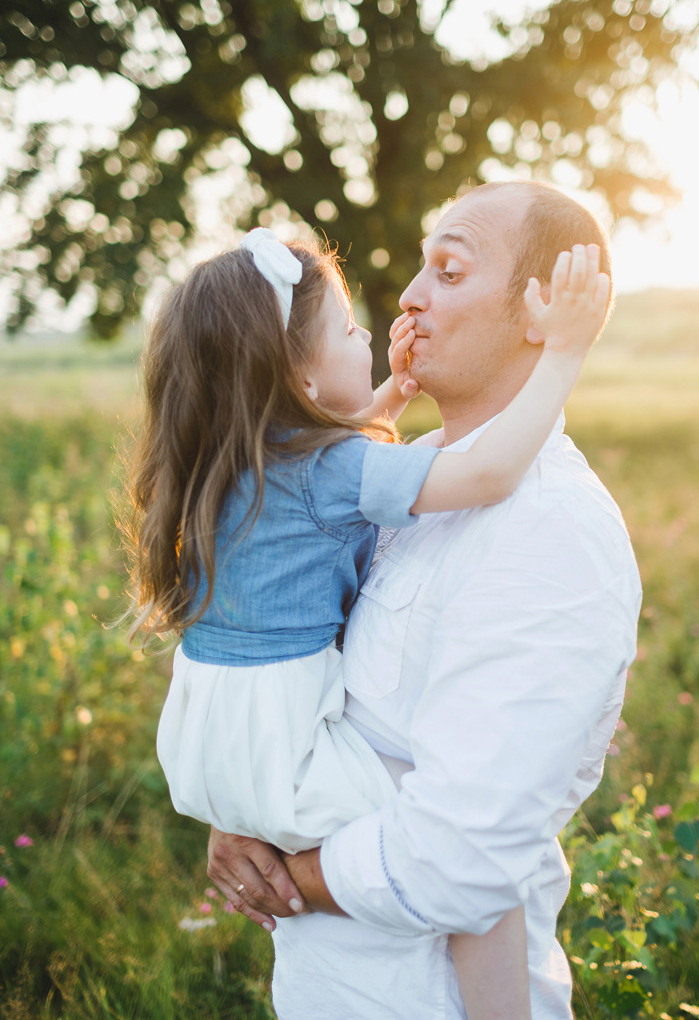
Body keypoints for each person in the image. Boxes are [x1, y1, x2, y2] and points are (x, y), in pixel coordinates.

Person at [124, 219, 610, 1020]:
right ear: (305, 383)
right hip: (282, 742)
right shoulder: (337, 471)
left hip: (216, 735)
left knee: (465, 853)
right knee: (483, 888)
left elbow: (330, 463)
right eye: (350, 331)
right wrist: (565, 354)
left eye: (447, 272)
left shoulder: (242, 460)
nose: (388, 320)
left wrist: (385, 399)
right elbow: (482, 472)